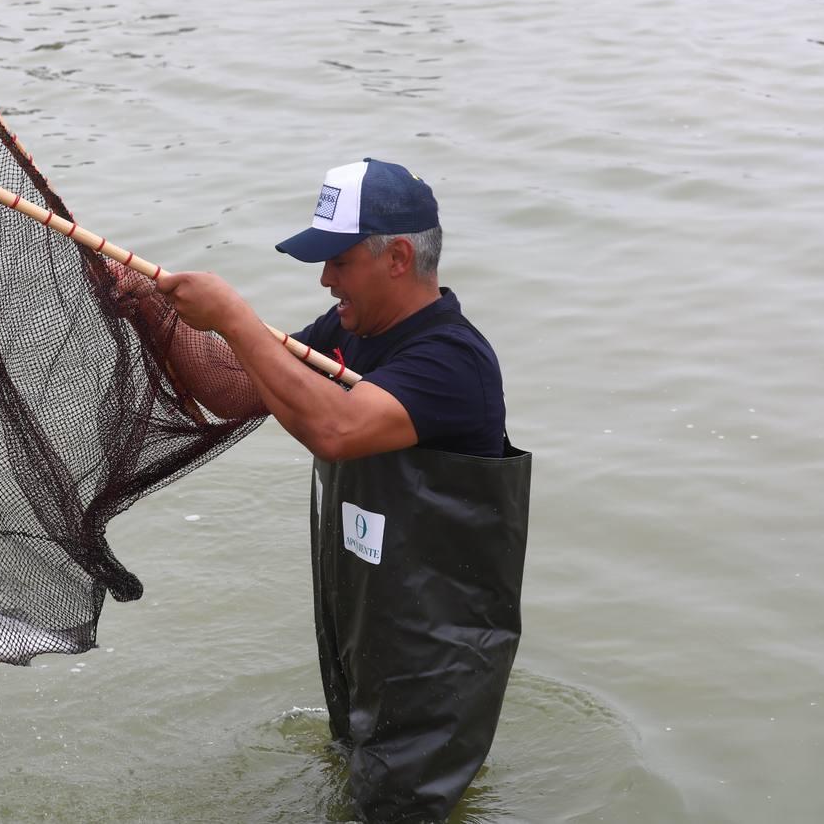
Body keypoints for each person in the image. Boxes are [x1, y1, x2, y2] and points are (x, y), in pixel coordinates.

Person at [114, 158, 531, 823]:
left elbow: (336, 430)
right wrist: (147, 303)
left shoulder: (453, 361)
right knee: (357, 781)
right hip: (365, 629)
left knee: (402, 808)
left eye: (338, 260)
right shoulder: (348, 333)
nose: (325, 278)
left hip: (436, 656)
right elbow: (232, 386)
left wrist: (235, 315)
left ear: (398, 257)